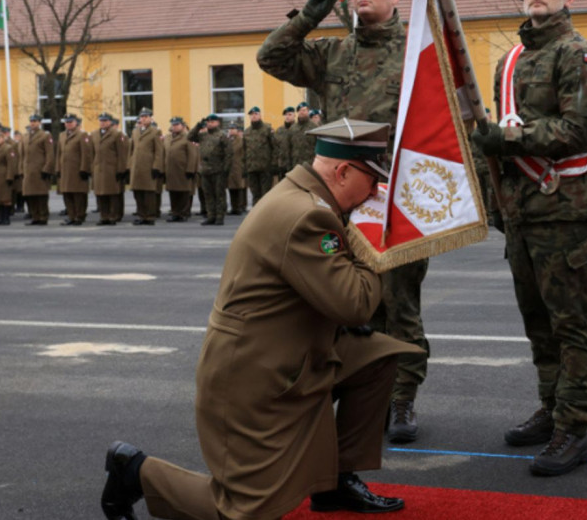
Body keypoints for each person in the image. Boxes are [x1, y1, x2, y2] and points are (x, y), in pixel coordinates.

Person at [99, 119, 420, 520]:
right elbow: (355, 303)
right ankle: (136, 471)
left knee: (376, 356)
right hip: (254, 380)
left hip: (290, 354)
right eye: (372, 181)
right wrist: (376, 243)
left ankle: (334, 481)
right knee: (240, 511)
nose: (375, 193)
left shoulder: (307, 196)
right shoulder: (306, 216)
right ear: (342, 172)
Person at [258, 0, 432, 443]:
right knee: (341, 302)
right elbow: (271, 58)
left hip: (398, 197)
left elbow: (446, 126)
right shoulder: (333, 53)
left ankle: (401, 398)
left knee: (399, 303)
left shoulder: (418, 54)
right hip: (339, 199)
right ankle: (358, 393)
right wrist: (310, 14)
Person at [473, 0, 587, 476]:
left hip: (562, 207)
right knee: (538, 323)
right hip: (521, 212)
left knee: (573, 324)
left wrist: (504, 138)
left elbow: (579, 131)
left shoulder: (581, 55)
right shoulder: (509, 62)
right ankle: (552, 408)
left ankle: (575, 428)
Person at [189, 114, 230, 226]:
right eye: (208, 122)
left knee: (219, 194)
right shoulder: (203, 135)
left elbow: (228, 154)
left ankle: (219, 217)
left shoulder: (222, 136)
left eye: (212, 122)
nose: (210, 124)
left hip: (218, 170)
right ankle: (211, 216)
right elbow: (190, 137)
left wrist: (226, 169)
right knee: (208, 194)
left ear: (217, 123)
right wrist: (198, 125)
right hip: (205, 170)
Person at [91, 113, 130, 226]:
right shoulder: (95, 134)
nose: (103, 122)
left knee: (112, 195)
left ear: (110, 122)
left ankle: (113, 216)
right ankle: (104, 216)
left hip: (112, 169)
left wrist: (121, 170)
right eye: (101, 120)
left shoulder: (117, 134)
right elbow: (92, 153)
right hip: (99, 169)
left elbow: (122, 154)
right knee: (101, 195)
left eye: (105, 120)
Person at [129, 108, 164, 225]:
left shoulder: (155, 132)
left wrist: (156, 166)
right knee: (138, 193)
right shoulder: (135, 131)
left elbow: (159, 151)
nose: (143, 119)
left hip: (148, 166)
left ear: (150, 118)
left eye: (146, 117)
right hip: (136, 167)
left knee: (148, 193)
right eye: (142, 117)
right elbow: (132, 150)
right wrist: (129, 166)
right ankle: (141, 215)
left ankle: (149, 216)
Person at [19, 114, 56, 226]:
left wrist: (47, 169)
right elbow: (22, 155)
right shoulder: (25, 136)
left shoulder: (45, 136)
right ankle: (35, 216)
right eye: (31, 121)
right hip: (28, 171)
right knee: (30, 195)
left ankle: (43, 217)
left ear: (40, 122)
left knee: (41, 195)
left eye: (35, 121)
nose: (33, 123)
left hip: (39, 170)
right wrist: (21, 170)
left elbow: (50, 154)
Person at [164, 117, 197, 222]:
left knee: (183, 193)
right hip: (171, 170)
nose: (174, 127)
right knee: (173, 193)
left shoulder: (188, 137)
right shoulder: (168, 138)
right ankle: (175, 213)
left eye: (177, 125)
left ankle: (183, 213)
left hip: (183, 170)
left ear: (182, 126)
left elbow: (192, 155)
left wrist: (190, 169)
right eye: (173, 125)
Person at [243, 106, 276, 206]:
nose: (254, 116)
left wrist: (274, 165)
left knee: (265, 195)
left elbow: (274, 147)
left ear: (260, 115)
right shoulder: (247, 132)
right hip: (252, 168)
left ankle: (266, 216)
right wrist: (244, 167)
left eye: (256, 114)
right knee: (255, 194)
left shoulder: (267, 129)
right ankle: (256, 216)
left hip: (265, 167)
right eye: (252, 115)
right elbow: (245, 150)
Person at [227, 122, 247, 215]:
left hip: (238, 167)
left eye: (233, 129)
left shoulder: (241, 140)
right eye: (230, 129)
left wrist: (244, 167)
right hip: (230, 168)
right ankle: (234, 207)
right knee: (231, 189)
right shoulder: (227, 140)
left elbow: (245, 154)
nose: (231, 131)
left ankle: (239, 207)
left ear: (237, 130)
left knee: (239, 188)